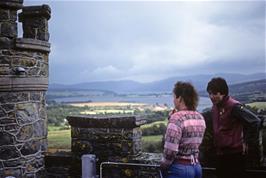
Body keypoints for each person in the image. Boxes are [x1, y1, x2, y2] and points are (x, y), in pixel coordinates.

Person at [206, 77, 261, 178]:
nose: (211, 96)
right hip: (220, 154)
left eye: (214, 93)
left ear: (222, 93)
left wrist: (247, 141)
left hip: (235, 156)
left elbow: (255, 121)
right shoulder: (216, 107)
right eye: (209, 93)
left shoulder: (234, 106)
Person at [160, 81, 206, 178]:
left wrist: (163, 166)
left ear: (180, 98)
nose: (173, 100)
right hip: (196, 167)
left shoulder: (176, 118)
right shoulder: (199, 117)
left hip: (179, 168)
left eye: (174, 97)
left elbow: (170, 150)